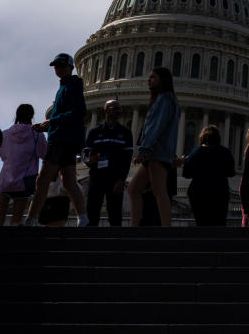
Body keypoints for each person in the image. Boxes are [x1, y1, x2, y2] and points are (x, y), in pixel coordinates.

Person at [25, 53, 88, 227]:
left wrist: (52, 121)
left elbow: (79, 111)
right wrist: (47, 125)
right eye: (56, 66)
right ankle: (83, 218)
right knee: (68, 181)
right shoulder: (64, 87)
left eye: (61, 65)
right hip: (63, 136)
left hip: (61, 138)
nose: (58, 69)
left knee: (43, 178)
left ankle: (32, 218)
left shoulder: (73, 84)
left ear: (70, 67)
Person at [128, 67, 179, 227]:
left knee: (159, 191)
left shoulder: (164, 99)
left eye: (153, 77)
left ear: (162, 80)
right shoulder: (165, 99)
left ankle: (165, 228)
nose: (149, 80)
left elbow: (155, 127)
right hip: (155, 153)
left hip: (157, 153)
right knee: (134, 188)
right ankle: (134, 225)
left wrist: (144, 150)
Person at [0, 104, 46, 226]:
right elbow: (44, 154)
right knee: (17, 220)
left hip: (5, 179)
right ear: (32, 116)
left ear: (16, 115)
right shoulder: (37, 135)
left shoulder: (4, 134)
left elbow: (2, 155)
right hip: (24, 181)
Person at [83, 99, 133, 226]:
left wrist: (122, 180)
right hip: (97, 176)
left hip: (115, 177)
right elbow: (86, 153)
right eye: (114, 108)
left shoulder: (126, 133)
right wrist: (89, 161)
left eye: (119, 109)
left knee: (115, 216)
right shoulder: (94, 132)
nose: (118, 111)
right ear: (105, 110)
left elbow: (127, 159)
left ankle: (115, 244)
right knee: (92, 213)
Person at [181, 124, 235, 226]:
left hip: (198, 193)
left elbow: (186, 174)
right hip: (219, 193)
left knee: (201, 223)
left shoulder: (195, 152)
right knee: (219, 224)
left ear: (202, 138)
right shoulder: (225, 152)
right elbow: (231, 172)